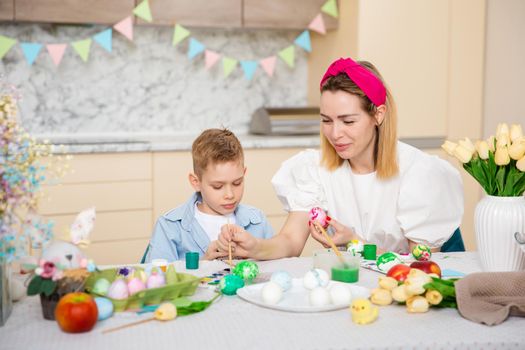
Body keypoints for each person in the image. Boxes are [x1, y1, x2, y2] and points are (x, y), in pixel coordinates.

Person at [217, 57, 464, 259]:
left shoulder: (418, 173)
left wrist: (355, 243)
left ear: (378, 114)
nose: (335, 134)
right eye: (326, 120)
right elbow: (290, 242)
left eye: (348, 121)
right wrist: (255, 247)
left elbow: (422, 265)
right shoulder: (314, 170)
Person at [145, 128, 273, 262]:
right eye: (217, 186)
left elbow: (279, 267)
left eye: (237, 183)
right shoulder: (169, 227)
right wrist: (202, 263)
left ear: (244, 173)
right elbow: (157, 278)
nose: (229, 195)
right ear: (196, 182)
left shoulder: (258, 222)